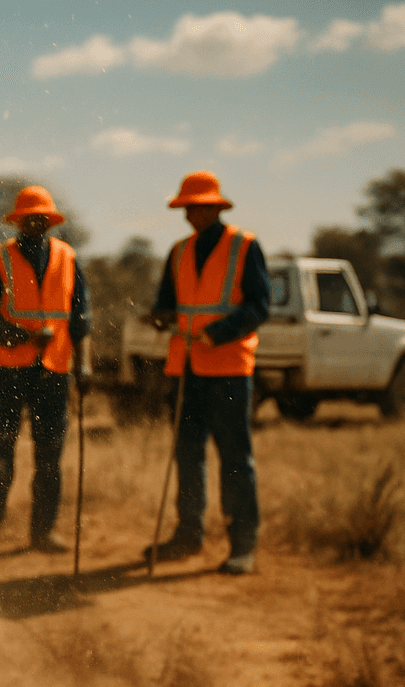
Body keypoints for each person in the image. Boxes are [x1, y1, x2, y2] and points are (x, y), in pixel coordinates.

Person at [144, 171, 269, 575]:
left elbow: (258, 307)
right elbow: (168, 302)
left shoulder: (244, 247)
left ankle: (242, 545)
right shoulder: (178, 252)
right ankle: (187, 535)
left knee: (235, 458)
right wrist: (161, 317)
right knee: (187, 455)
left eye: (199, 207)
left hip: (229, 368)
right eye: (187, 209)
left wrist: (217, 334)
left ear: (216, 207)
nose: (192, 215)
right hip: (186, 369)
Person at [0, 185, 91, 563]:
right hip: (6, 371)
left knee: (50, 455)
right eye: (28, 217)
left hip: (54, 371)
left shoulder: (68, 258)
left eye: (42, 217)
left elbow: (82, 318)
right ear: (18, 221)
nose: (36, 222)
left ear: (50, 221)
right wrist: (22, 337)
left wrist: (85, 366)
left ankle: (43, 531)